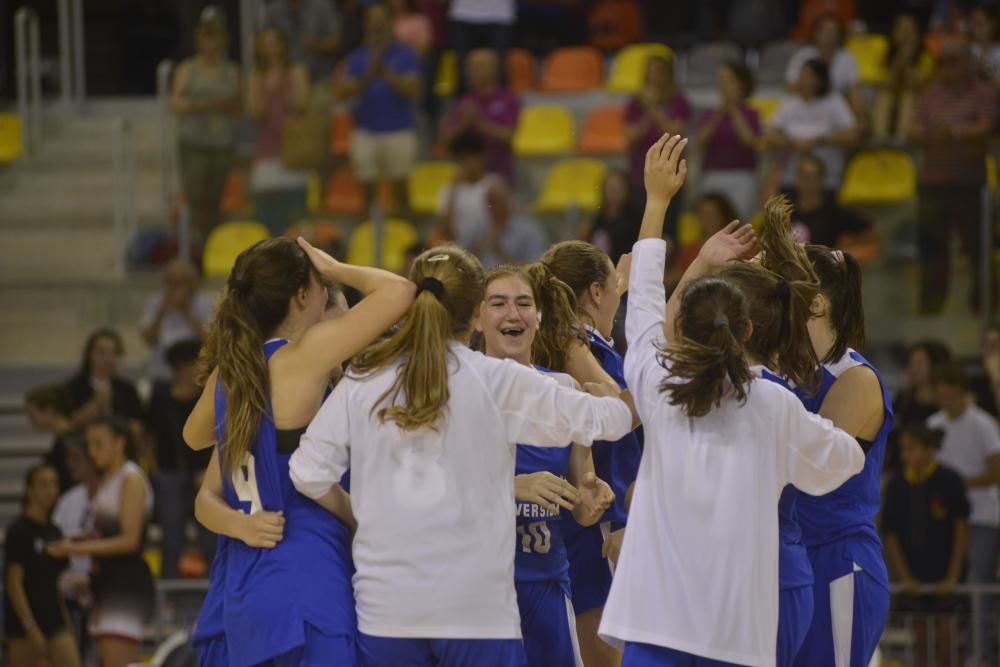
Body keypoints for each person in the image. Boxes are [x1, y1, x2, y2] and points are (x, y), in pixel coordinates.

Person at [289, 244, 633, 666]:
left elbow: (307, 474)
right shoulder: (498, 379)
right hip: (477, 611)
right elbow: (611, 420)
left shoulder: (365, 377)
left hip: (387, 609)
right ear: (476, 315)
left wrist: (358, 515)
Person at [599, 133, 864, 666]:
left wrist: (656, 203)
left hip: (655, 622)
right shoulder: (775, 405)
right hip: (736, 629)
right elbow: (845, 462)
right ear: (745, 329)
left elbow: (646, 304)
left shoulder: (656, 379)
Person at [182, 236, 415, 666]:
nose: (327, 291)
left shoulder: (231, 374)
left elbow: (194, 438)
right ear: (302, 296)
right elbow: (400, 292)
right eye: (320, 283)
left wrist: (238, 521)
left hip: (241, 583)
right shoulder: (302, 357)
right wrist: (337, 267)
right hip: (305, 571)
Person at [758, 241, 894, 667]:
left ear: (814, 304)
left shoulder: (855, 378)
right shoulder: (789, 374)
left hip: (836, 557)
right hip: (789, 558)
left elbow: (805, 468)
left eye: (782, 297)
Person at [476, 264, 617, 667]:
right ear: (477, 315)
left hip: (546, 581)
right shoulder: (454, 388)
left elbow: (583, 491)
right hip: (479, 588)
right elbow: (429, 488)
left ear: (539, 317)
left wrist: (592, 494)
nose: (512, 314)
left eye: (523, 303)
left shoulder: (564, 390)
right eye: (498, 303)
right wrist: (513, 486)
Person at [538, 239, 642, 667]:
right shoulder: (572, 344)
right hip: (593, 523)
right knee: (600, 657)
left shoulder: (585, 342)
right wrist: (667, 389)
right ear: (596, 293)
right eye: (617, 289)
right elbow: (619, 414)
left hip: (599, 520)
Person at [47, 417, 155, 667]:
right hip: (106, 580)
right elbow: (105, 530)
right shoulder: (110, 478)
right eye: (90, 445)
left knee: (118, 661)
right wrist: (79, 538)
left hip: (124, 583)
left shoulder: (132, 479)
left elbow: (130, 540)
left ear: (119, 443)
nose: (92, 452)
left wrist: (76, 548)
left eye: (98, 444)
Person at [909, 41, 998, 314]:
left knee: (978, 249)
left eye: (954, 62)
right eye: (943, 63)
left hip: (970, 183)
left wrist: (954, 132)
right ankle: (931, 309)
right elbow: (913, 129)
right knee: (932, 248)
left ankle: (984, 309)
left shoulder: (985, 93)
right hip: (933, 183)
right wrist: (932, 134)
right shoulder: (930, 95)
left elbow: (986, 126)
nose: (948, 69)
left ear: (968, 64)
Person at [927, 362, 1000, 666]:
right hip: (945, 518)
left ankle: (980, 651)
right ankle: (953, 648)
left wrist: (958, 484)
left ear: (961, 392)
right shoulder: (933, 425)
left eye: (950, 393)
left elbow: (996, 470)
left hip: (982, 515)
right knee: (947, 580)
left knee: (976, 582)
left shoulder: (982, 424)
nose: (946, 400)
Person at [883, 423, 970, 667]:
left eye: (911, 449)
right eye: (903, 449)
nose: (905, 455)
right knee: (920, 642)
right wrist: (905, 576)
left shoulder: (950, 480)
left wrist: (953, 576)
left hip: (945, 572)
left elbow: (961, 528)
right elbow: (890, 535)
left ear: (929, 449)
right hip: (914, 573)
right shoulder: (897, 484)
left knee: (948, 642)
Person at [337, 1, 422, 216]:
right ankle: (366, 238)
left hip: (399, 129)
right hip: (365, 130)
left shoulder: (406, 54)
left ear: (390, 23)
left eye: (381, 21)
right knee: (367, 194)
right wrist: (368, 75)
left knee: (401, 194)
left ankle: (406, 242)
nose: (376, 26)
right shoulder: (357, 57)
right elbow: (344, 92)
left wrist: (384, 72)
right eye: (372, 21)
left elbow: (412, 91)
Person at [169, 6, 241, 239]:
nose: (210, 45)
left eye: (215, 38)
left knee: (219, 197)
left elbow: (241, 107)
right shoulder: (188, 69)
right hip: (194, 142)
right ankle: (199, 242)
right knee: (197, 195)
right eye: (205, 38)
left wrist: (225, 106)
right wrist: (204, 106)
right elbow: (176, 103)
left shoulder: (232, 71)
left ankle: (216, 241)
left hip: (222, 142)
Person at [4, 464, 81, 667]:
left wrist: (66, 620)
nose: (51, 491)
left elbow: (53, 582)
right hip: (24, 626)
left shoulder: (53, 530)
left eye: (54, 484)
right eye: (44, 485)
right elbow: (13, 583)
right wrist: (30, 626)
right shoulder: (19, 531)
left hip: (54, 620)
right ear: (29, 490)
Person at [148, 340, 213, 579]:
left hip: (203, 473)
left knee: (210, 533)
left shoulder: (207, 397)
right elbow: (149, 437)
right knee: (171, 535)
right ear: (180, 367)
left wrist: (210, 470)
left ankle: (216, 590)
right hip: (169, 473)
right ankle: (169, 591)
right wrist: (155, 469)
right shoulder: (161, 398)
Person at [250, 28, 310, 237]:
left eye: (275, 42)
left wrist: (283, 82)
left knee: (295, 215)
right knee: (267, 214)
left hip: (293, 150)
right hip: (267, 149)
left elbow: (301, 104)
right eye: (266, 44)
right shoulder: (257, 76)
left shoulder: (296, 72)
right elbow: (258, 112)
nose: (271, 48)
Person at [767, 58, 859, 196]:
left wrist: (817, 141)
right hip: (791, 178)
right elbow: (770, 135)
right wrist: (791, 142)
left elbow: (851, 135)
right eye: (801, 76)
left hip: (827, 179)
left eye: (807, 76)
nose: (802, 80)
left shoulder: (834, 102)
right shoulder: (789, 102)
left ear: (820, 80)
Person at [624, 54, 691, 238]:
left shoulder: (679, 102)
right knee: (640, 228)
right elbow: (632, 137)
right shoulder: (635, 104)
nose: (653, 77)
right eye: (650, 72)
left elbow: (674, 133)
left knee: (667, 230)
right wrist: (647, 111)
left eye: (658, 72)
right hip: (640, 175)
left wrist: (653, 108)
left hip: (669, 174)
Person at [440, 48, 520, 184]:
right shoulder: (464, 102)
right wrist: (462, 124)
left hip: (499, 175)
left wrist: (479, 123)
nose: (472, 70)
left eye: (478, 66)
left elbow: (512, 138)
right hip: (467, 178)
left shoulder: (508, 99)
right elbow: (446, 141)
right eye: (469, 66)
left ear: (494, 69)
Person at [52, 438, 100, 657]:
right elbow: (56, 546)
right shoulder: (67, 501)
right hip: (70, 591)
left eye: (77, 460)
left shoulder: (113, 494)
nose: (71, 465)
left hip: (104, 588)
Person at [696, 61, 762, 220]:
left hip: (742, 177)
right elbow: (700, 141)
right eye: (721, 81)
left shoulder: (751, 113)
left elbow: (749, 141)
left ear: (742, 84)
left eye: (729, 80)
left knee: (739, 223)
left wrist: (733, 110)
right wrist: (719, 114)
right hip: (712, 175)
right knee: (711, 223)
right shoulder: (710, 113)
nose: (724, 86)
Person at [139, 259, 214, 385]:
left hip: (193, 378)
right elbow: (148, 340)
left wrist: (186, 311)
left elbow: (210, 340)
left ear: (191, 284)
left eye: (178, 283)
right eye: (169, 283)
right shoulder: (155, 302)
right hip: (161, 374)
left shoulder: (204, 303)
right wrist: (161, 313)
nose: (173, 288)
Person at [63, 328, 144, 437]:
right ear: (89, 355)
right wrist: (93, 406)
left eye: (113, 352)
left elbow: (138, 427)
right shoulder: (72, 387)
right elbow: (65, 425)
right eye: (101, 352)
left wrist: (113, 416)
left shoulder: (127, 389)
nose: (108, 358)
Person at [888, 340, 953, 473]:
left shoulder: (947, 405)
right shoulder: (902, 400)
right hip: (901, 475)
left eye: (919, 363)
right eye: (910, 363)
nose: (912, 368)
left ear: (935, 366)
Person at [785, 13, 865, 119]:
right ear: (816, 34)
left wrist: (860, 115)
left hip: (836, 107)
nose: (829, 36)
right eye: (825, 31)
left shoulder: (847, 58)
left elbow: (854, 92)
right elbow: (792, 89)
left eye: (833, 32)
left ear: (839, 36)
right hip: (807, 104)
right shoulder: (803, 56)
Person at [434, 131, 503, 252]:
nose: (469, 163)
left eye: (473, 157)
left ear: (483, 157)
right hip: (460, 250)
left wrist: (482, 245)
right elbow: (446, 229)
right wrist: (455, 189)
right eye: (463, 159)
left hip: (491, 248)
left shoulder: (495, 184)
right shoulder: (448, 191)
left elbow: (502, 223)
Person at [872, 12, 934, 144]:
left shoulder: (926, 56)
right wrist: (898, 61)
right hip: (892, 104)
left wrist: (906, 62)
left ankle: (901, 141)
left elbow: (916, 85)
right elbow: (887, 85)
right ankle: (879, 140)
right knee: (884, 97)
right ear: (893, 34)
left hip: (919, 104)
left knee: (908, 96)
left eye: (909, 30)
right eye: (901, 30)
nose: (905, 35)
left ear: (917, 35)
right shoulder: (885, 55)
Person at [788, 153, 872, 248]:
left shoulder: (833, 211)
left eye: (814, 177)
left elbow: (866, 229)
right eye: (806, 177)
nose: (810, 183)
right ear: (796, 179)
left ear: (822, 180)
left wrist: (847, 251)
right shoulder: (786, 211)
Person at [666, 192, 737, 293]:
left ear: (723, 216)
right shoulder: (689, 248)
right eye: (702, 214)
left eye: (711, 214)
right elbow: (672, 278)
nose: (706, 219)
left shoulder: (736, 246)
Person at [263, 0, 342, 83]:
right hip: (284, 83)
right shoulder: (273, 11)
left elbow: (337, 43)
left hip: (320, 80)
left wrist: (316, 44)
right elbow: (262, 44)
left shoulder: (323, 6)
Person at [475, 181, 548, 268]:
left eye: (496, 202)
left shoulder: (530, 230)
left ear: (509, 201)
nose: (492, 207)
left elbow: (534, 269)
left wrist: (499, 251)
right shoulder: (480, 228)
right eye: (489, 203)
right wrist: (477, 250)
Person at [578, 169, 643, 265]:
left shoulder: (635, 217)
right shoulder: (599, 217)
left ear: (627, 190)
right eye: (610, 189)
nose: (614, 193)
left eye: (618, 189)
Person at [448, 0, 516, 89]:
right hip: (463, 14)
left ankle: (499, 101)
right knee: (464, 69)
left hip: (499, 15)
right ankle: (466, 100)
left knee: (499, 68)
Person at [24, 384, 75, 492]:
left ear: (49, 411)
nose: (31, 421)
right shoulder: (63, 438)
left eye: (32, 415)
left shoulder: (68, 441)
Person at [969, 5, 1000, 85]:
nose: (974, 28)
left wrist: (986, 74)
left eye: (979, 24)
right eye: (972, 23)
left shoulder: (998, 52)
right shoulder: (969, 50)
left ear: (993, 25)